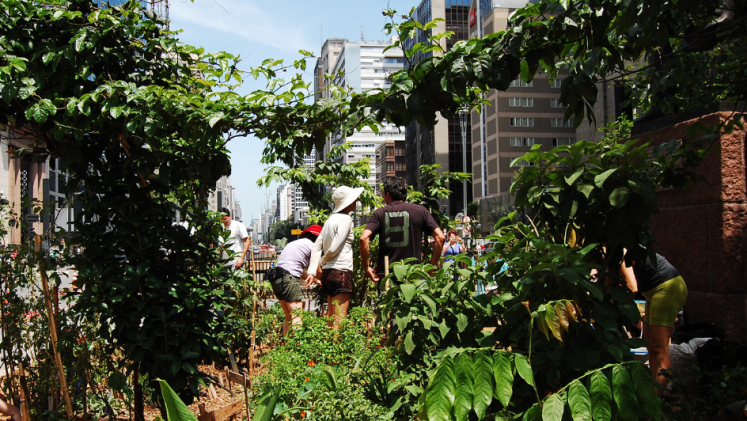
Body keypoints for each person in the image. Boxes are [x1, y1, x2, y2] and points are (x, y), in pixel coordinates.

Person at [619, 250, 688, 392]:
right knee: (650, 345)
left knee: (659, 347)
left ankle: (659, 398)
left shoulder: (619, 250)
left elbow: (632, 288)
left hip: (667, 287)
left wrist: (624, 313)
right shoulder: (607, 253)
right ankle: (653, 391)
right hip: (653, 292)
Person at [360, 177, 446, 284]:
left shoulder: (379, 213)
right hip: (412, 275)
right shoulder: (420, 211)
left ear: (387, 195)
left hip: (387, 275)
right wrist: (431, 268)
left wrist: (366, 267)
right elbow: (440, 237)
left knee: (387, 300)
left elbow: (364, 238)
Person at [305, 186, 363, 328]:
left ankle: (330, 349)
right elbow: (335, 247)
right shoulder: (346, 219)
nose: (356, 201)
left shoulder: (330, 219)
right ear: (347, 202)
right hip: (341, 272)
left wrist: (312, 271)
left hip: (328, 274)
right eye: (353, 199)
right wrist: (324, 260)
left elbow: (316, 247)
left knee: (332, 319)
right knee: (340, 321)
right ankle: (338, 350)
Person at [269, 224, 322, 335]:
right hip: (288, 278)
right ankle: (298, 349)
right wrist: (325, 282)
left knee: (288, 317)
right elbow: (319, 271)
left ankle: (287, 349)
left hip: (275, 277)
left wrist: (316, 281)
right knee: (297, 316)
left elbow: (294, 269)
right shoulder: (313, 247)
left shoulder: (295, 243)